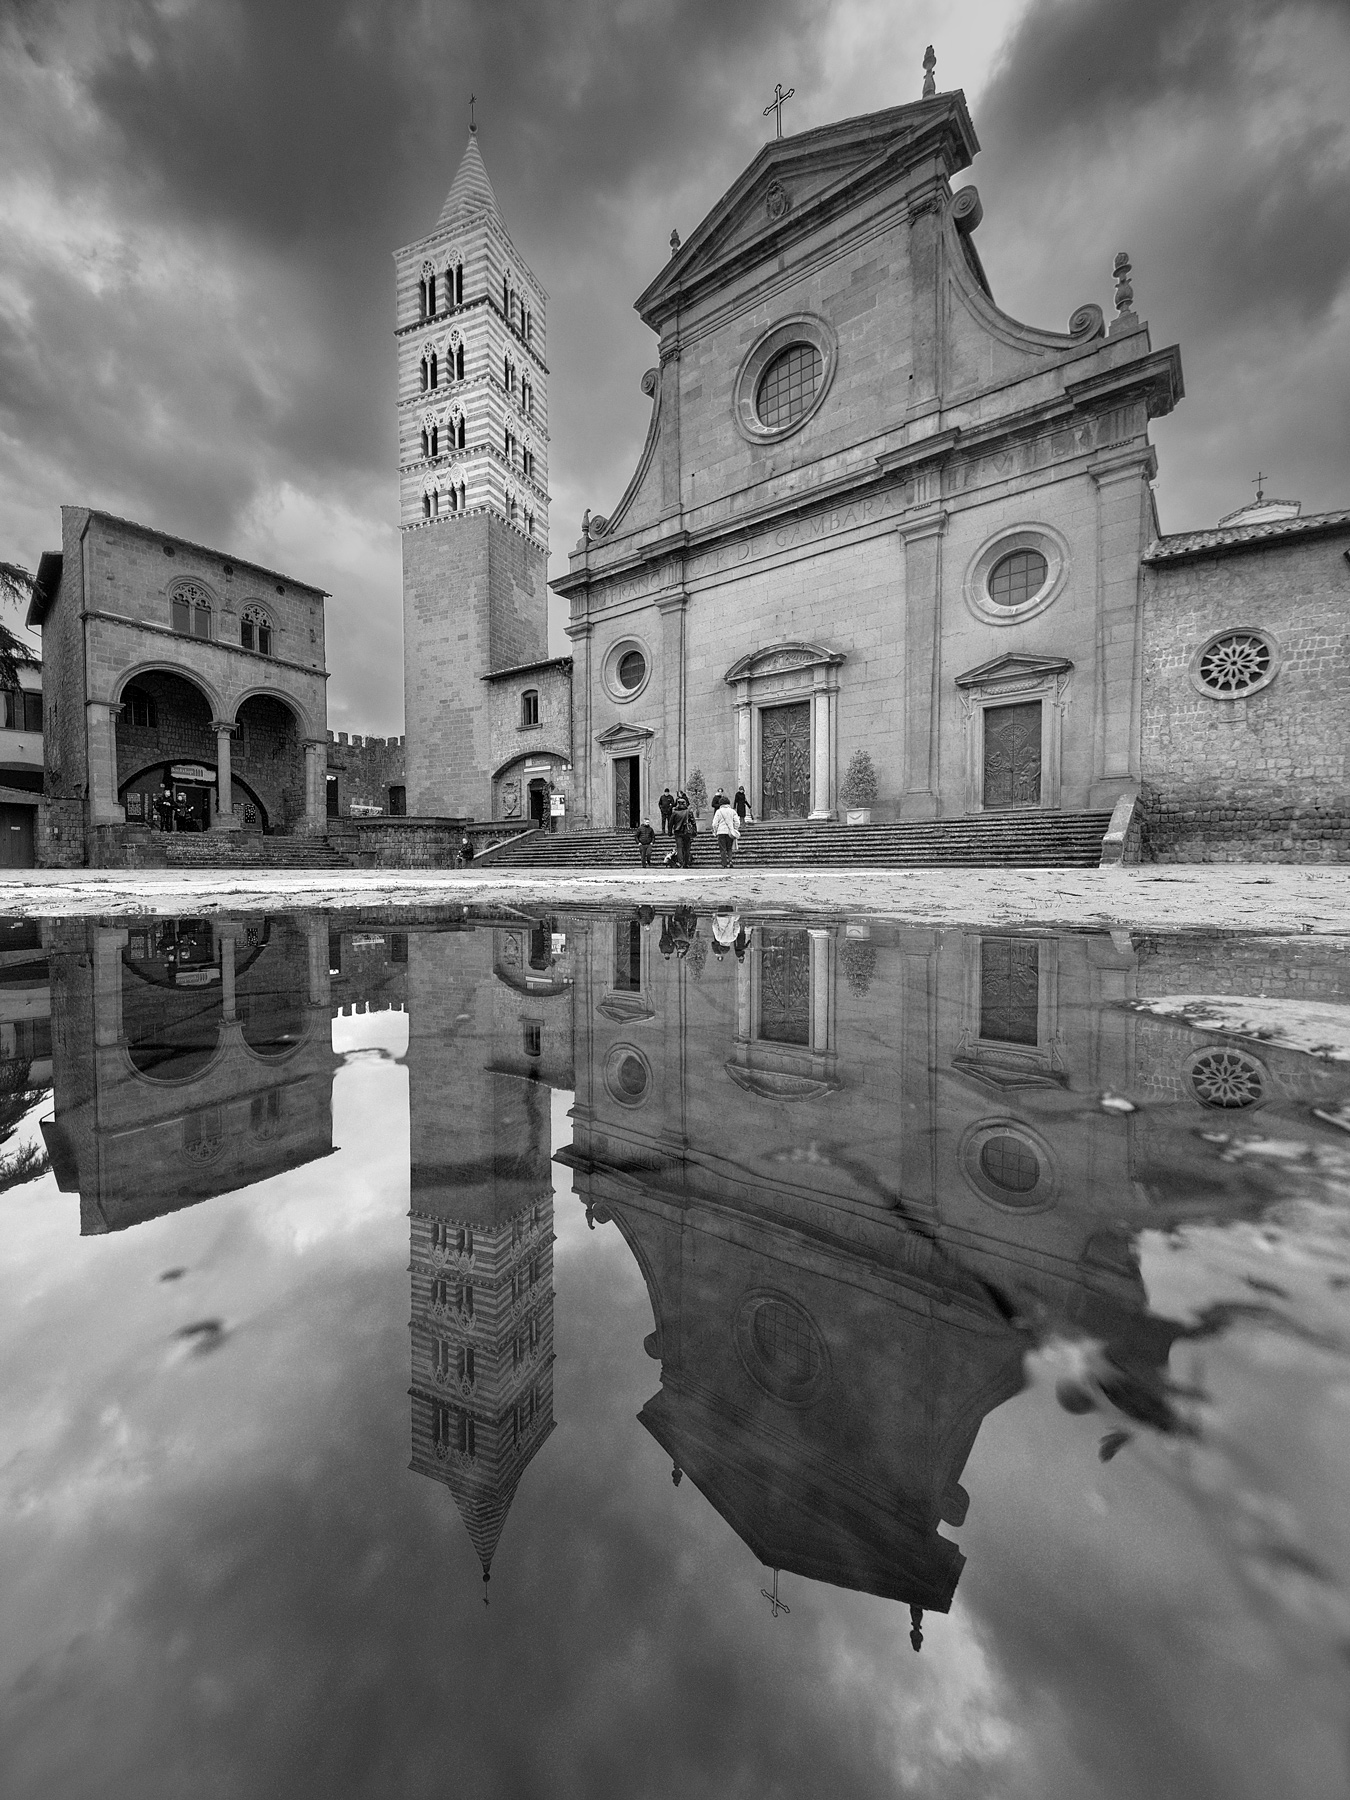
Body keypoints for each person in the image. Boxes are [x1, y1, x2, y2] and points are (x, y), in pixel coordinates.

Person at [711, 792, 740, 867]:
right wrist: (734, 829)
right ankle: (730, 861)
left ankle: (724, 864)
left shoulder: (718, 811)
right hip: (729, 832)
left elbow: (714, 823)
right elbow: (737, 822)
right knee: (729, 848)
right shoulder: (732, 811)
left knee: (722, 849)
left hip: (721, 832)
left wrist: (715, 831)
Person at [672, 791, 697, 868]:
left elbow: (671, 823)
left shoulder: (675, 812)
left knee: (679, 847)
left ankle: (680, 862)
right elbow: (693, 822)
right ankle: (686, 863)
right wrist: (695, 831)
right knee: (687, 848)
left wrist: (670, 831)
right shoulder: (689, 812)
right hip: (687, 832)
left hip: (678, 832)